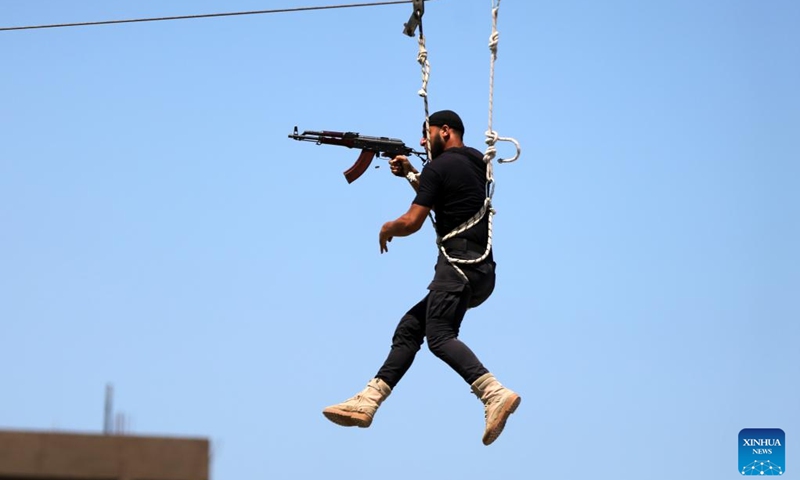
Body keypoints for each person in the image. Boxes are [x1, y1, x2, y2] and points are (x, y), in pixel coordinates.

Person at [322, 110, 520, 446]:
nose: (421, 141)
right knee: (411, 328)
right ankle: (368, 402)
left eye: (425, 134)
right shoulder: (475, 163)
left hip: (455, 269)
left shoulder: (439, 168)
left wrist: (388, 227)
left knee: (440, 336)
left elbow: (413, 221)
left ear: (444, 131)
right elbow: (452, 196)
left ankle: (493, 393)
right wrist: (414, 174)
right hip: (481, 272)